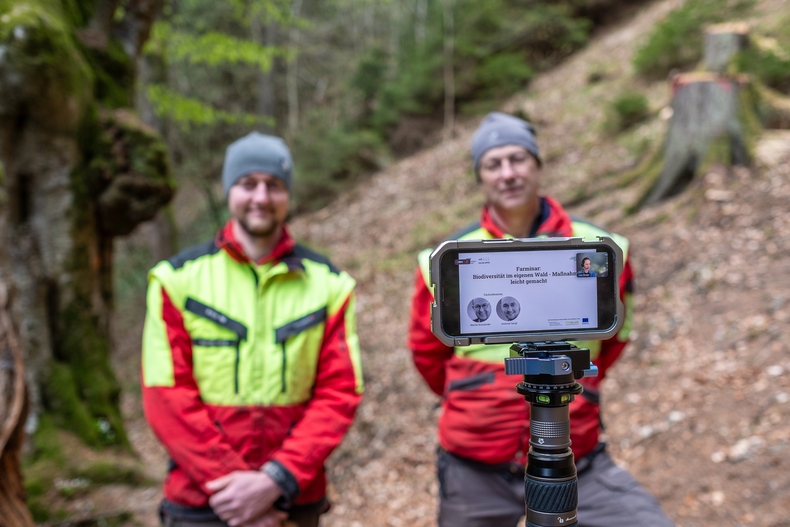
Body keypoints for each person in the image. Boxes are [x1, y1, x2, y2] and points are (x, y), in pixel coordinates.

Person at [407, 113, 673, 526]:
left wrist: (579, 381)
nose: (508, 174)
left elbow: (616, 334)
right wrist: (474, 393)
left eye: (518, 159)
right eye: (493, 164)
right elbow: (427, 352)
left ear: (537, 165)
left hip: (579, 457)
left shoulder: (602, 247)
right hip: (474, 462)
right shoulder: (449, 258)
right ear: (480, 176)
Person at [141, 132, 364, 527]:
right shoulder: (176, 280)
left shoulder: (329, 285)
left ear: (288, 195)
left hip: (292, 501)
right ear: (229, 191)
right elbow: (165, 394)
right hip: (203, 501)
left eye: (273, 186)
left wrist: (274, 481)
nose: (260, 197)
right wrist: (236, 489)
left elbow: (340, 391)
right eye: (248, 184)